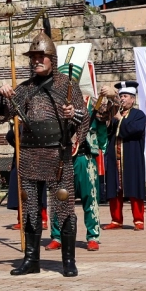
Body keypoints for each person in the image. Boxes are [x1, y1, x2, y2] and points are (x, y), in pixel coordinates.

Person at [0, 33, 87, 277]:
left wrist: (73, 114)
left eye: (40, 56)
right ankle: (31, 260)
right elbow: (3, 114)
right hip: (30, 154)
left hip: (58, 152)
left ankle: (68, 261)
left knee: (64, 205)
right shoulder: (24, 89)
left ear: (51, 59)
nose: (36, 60)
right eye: (33, 57)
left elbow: (84, 117)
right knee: (30, 207)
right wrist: (1, 95)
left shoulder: (67, 85)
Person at [51, 64, 101, 251]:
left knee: (90, 197)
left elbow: (105, 114)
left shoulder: (90, 102)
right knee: (59, 198)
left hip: (83, 156)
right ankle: (57, 236)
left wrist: (110, 95)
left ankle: (93, 235)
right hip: (61, 157)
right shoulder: (52, 104)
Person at [103, 81, 146, 231]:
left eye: (125, 96)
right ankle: (116, 220)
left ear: (132, 99)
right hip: (114, 158)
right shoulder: (115, 113)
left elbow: (134, 130)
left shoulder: (139, 115)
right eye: (121, 96)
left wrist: (119, 119)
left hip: (131, 158)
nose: (122, 98)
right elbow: (107, 132)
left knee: (134, 188)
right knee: (114, 189)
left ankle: (139, 220)